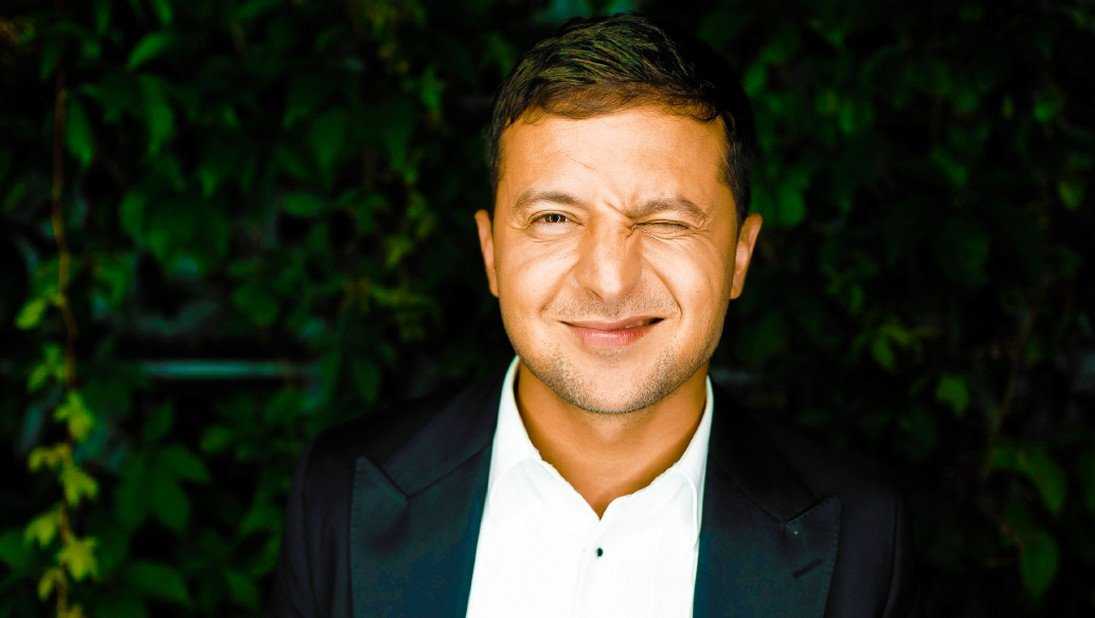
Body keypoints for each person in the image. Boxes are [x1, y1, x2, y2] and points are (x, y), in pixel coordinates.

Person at [269, 13, 916, 618]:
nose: (609, 281)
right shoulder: (341, 492)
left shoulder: (862, 533)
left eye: (665, 221)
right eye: (555, 218)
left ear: (739, 257)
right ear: (491, 254)